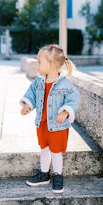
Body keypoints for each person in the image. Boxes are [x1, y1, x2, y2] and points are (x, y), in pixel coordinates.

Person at [20, 44, 80, 193]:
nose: (37, 64)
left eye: (40, 62)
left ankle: (58, 175)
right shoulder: (38, 83)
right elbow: (31, 95)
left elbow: (74, 99)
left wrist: (66, 112)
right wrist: (27, 105)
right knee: (44, 149)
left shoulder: (66, 84)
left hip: (57, 125)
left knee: (56, 151)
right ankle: (44, 174)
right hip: (42, 123)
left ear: (51, 65)